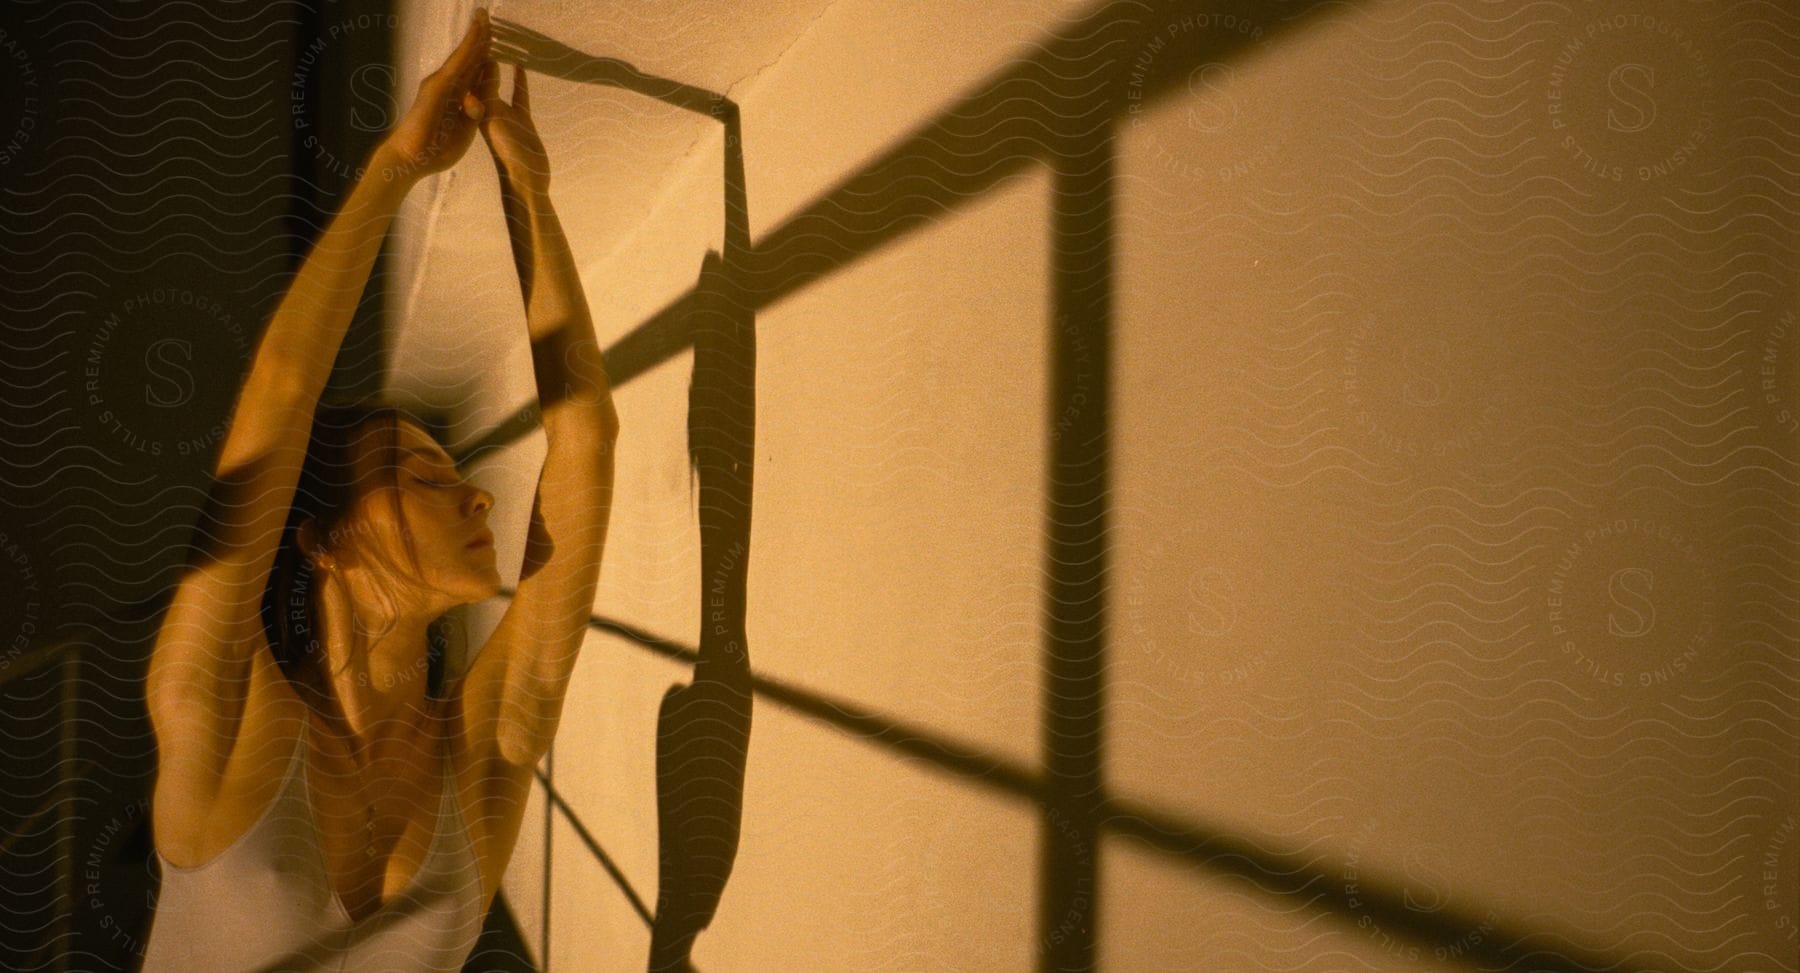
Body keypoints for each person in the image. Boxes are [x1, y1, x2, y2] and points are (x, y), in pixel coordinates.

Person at [138, 9, 618, 969]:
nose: (480, 499)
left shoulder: (476, 749)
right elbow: (280, 394)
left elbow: (588, 439)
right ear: (319, 536)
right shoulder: (216, 710)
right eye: (423, 474)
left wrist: (531, 191)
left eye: (452, 476)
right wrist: (394, 168)